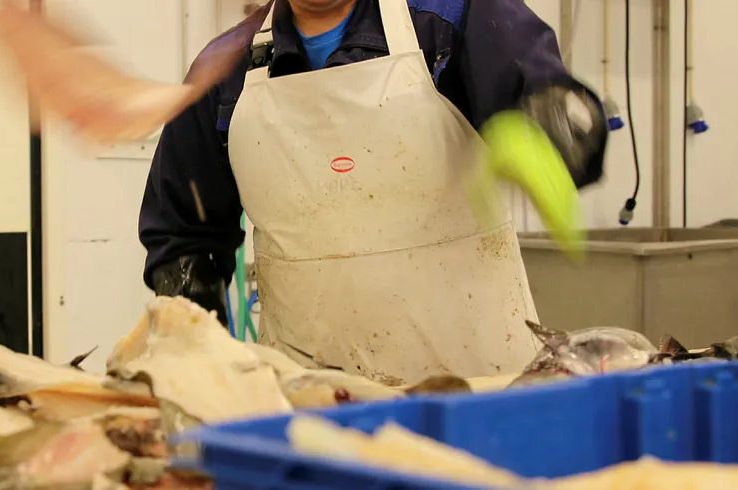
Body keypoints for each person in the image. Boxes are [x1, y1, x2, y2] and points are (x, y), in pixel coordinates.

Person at [139, 0, 607, 382]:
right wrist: (199, 360)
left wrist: (556, 128)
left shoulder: (451, 19)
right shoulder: (223, 71)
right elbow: (184, 238)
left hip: (479, 387)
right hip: (312, 399)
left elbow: (554, 101)